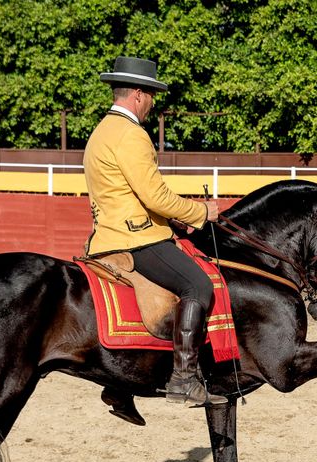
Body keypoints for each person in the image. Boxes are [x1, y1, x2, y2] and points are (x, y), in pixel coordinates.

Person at [83, 56, 225, 407]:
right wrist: (199, 212)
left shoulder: (101, 131)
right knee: (198, 285)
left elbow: (129, 194)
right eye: (151, 95)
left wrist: (171, 220)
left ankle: (122, 381)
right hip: (136, 239)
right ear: (137, 94)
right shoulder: (132, 135)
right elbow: (154, 195)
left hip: (105, 237)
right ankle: (184, 378)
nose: (152, 103)